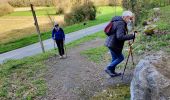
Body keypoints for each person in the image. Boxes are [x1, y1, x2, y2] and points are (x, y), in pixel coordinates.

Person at [104, 11, 136, 77]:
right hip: (114, 44)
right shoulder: (121, 23)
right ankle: (108, 68)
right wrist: (132, 36)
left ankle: (112, 72)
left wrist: (128, 35)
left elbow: (119, 34)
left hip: (110, 43)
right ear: (126, 17)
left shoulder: (117, 21)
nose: (130, 20)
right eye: (130, 18)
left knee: (114, 58)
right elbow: (120, 37)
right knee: (120, 58)